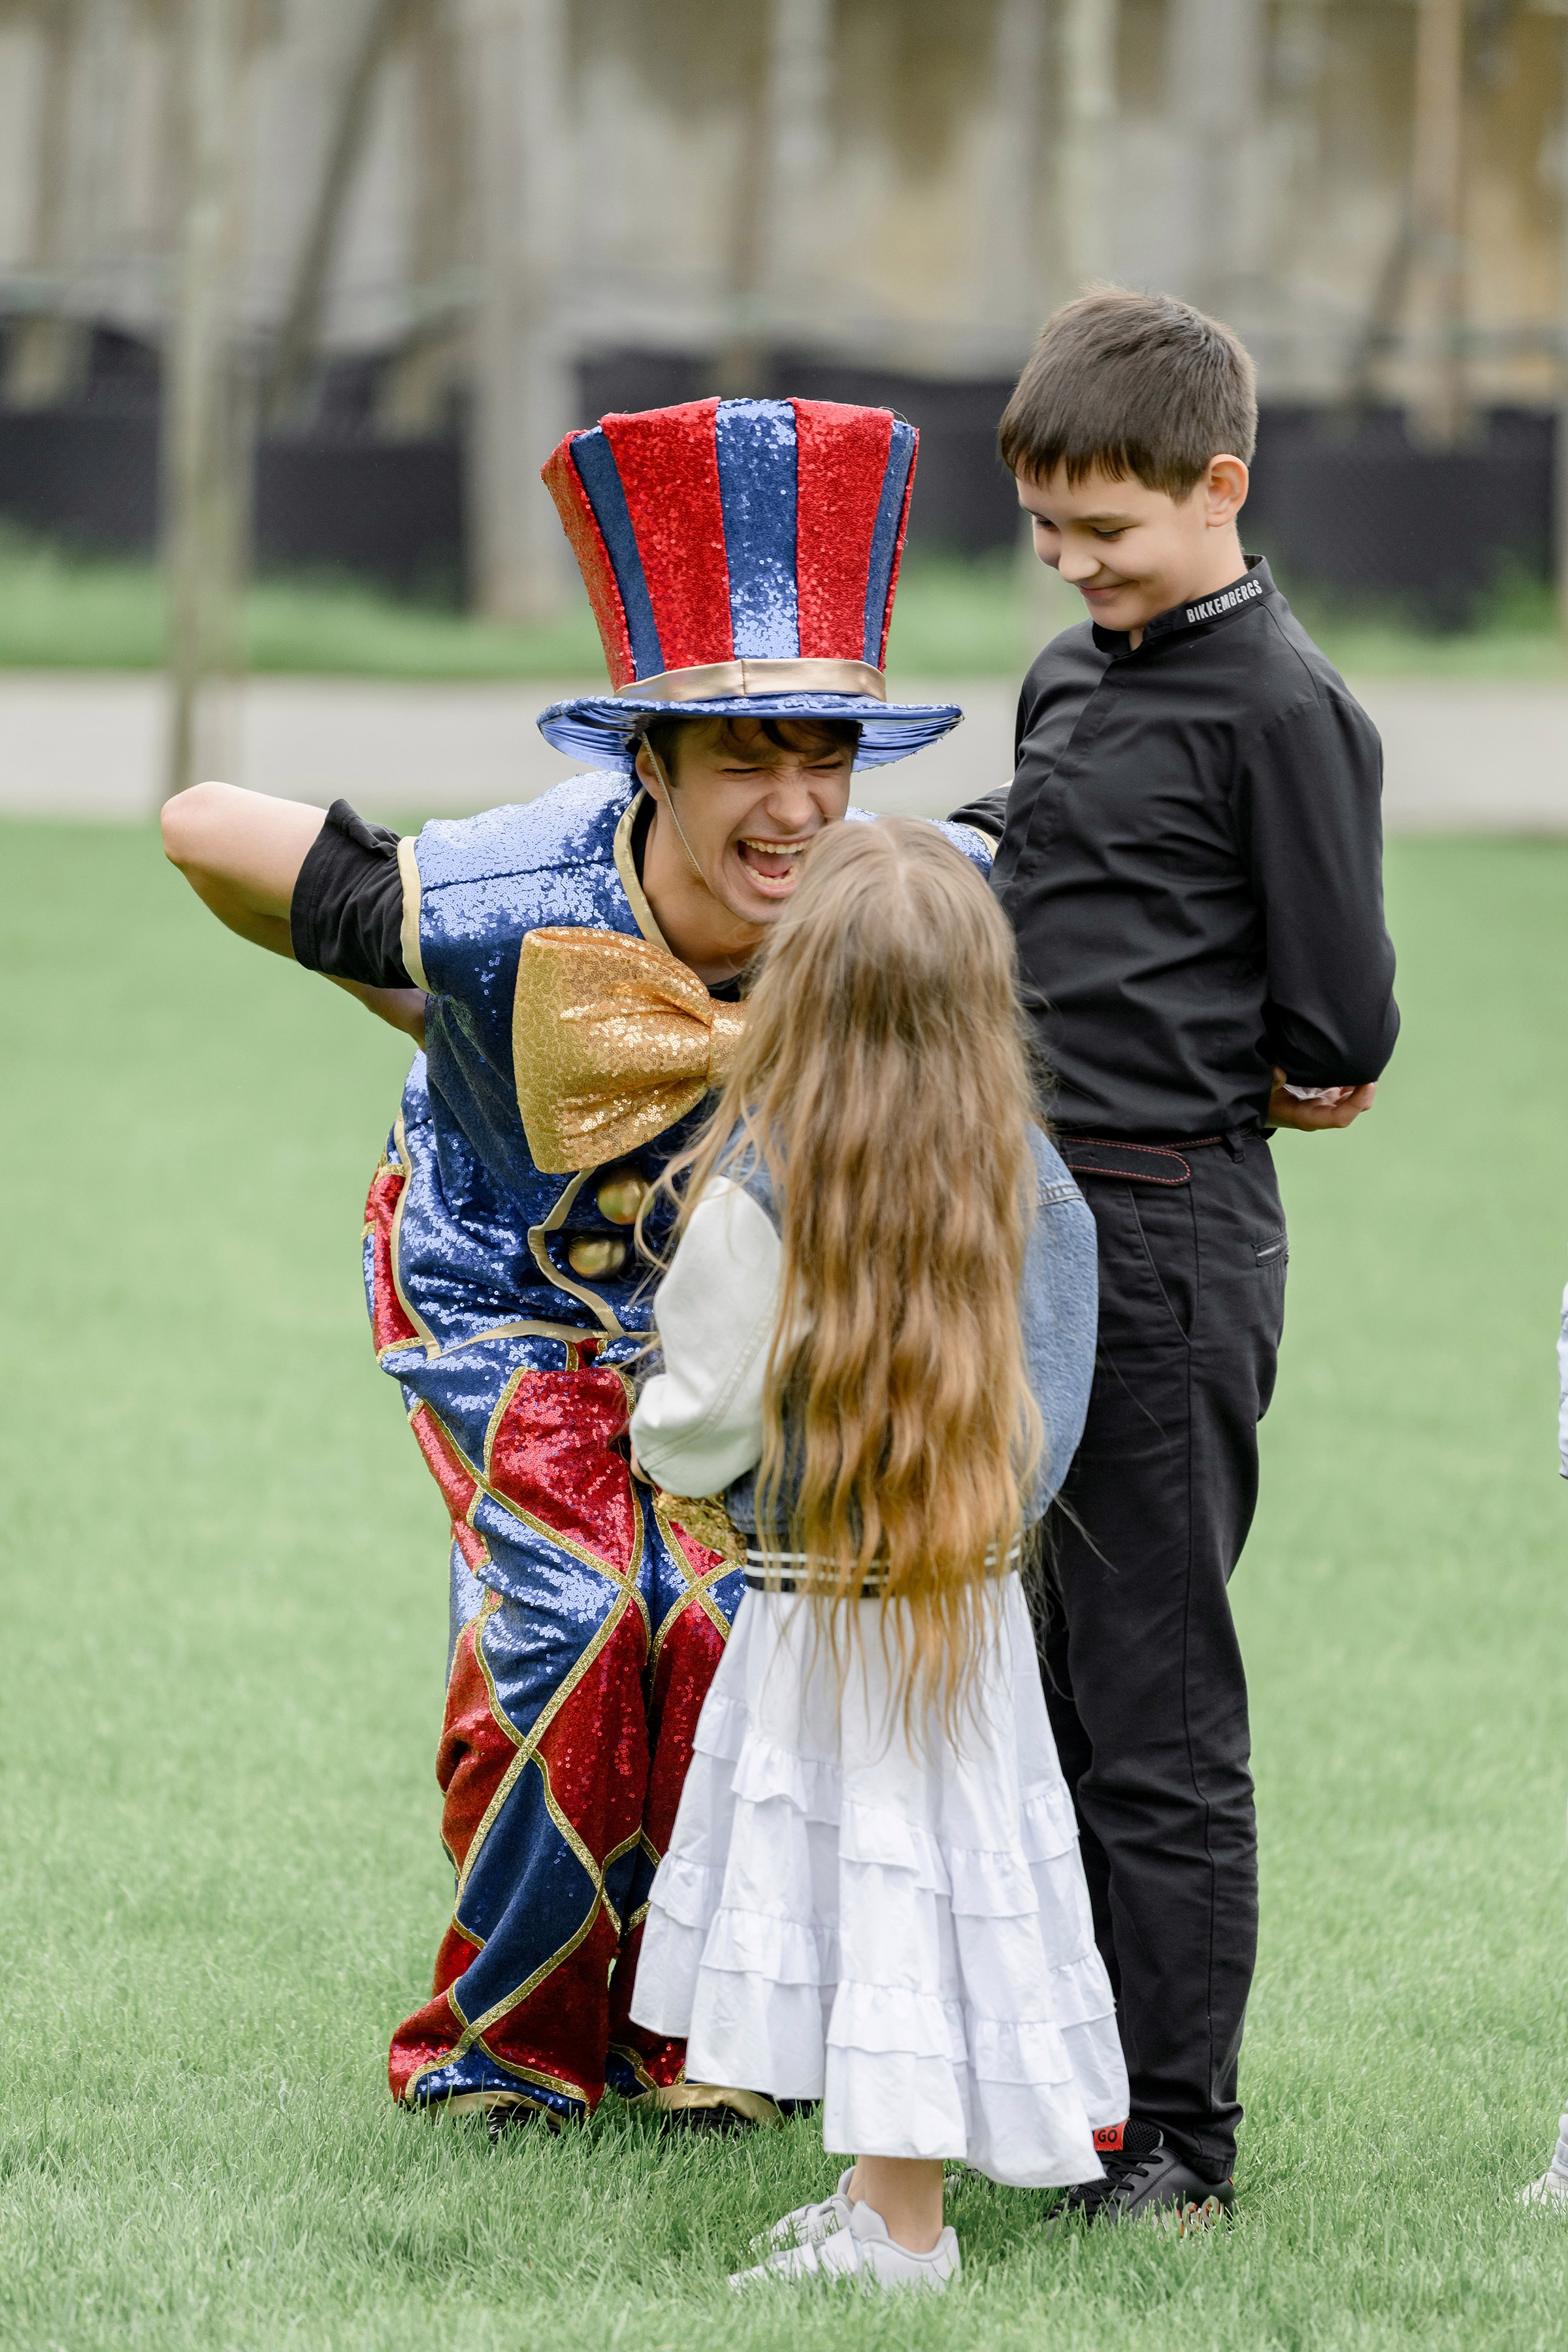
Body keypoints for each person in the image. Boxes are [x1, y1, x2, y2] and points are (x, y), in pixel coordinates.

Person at [161, 394, 988, 2134]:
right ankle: (504, 2050)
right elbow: (197, 822)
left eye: (822, 756)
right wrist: (395, 962)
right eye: (743, 757)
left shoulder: (876, 902)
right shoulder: (517, 884)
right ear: (650, 765)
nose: (793, 805)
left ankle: (702, 2041)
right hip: (494, 1288)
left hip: (731, 1327)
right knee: (570, 1616)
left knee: (726, 1624)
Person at [949, 289, 1400, 2223]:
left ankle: (1184, 2147)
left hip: (1175, 1233)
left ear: (1220, 487)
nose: (1076, 566)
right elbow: (1051, 863)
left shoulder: (1288, 708)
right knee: (1041, 1691)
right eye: (1050, 532)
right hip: (1019, 1227)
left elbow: (1345, 1022)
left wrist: (1283, 1073)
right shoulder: (1067, 678)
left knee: (1156, 1706)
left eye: (1109, 532)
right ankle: (1065, 2092)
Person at [627, 818, 1130, 2294]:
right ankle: (876, 2189)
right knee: (913, 1886)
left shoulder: (759, 1187)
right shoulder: (1036, 1181)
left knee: (874, 1892)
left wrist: (652, 1438)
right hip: (968, 1619)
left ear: (799, 991)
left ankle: (907, 2236)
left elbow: (702, 1422)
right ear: (985, 996)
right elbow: (1053, 1419)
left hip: (820, 1619)